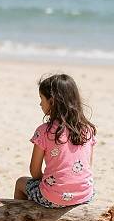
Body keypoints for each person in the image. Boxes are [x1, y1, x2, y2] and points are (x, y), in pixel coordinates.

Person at [14, 74, 96, 208]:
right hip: (84, 195)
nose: (40, 103)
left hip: (53, 198)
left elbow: (34, 171)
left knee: (20, 183)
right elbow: (87, 166)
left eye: (41, 98)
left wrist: (50, 184)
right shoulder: (88, 130)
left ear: (52, 101)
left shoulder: (44, 131)